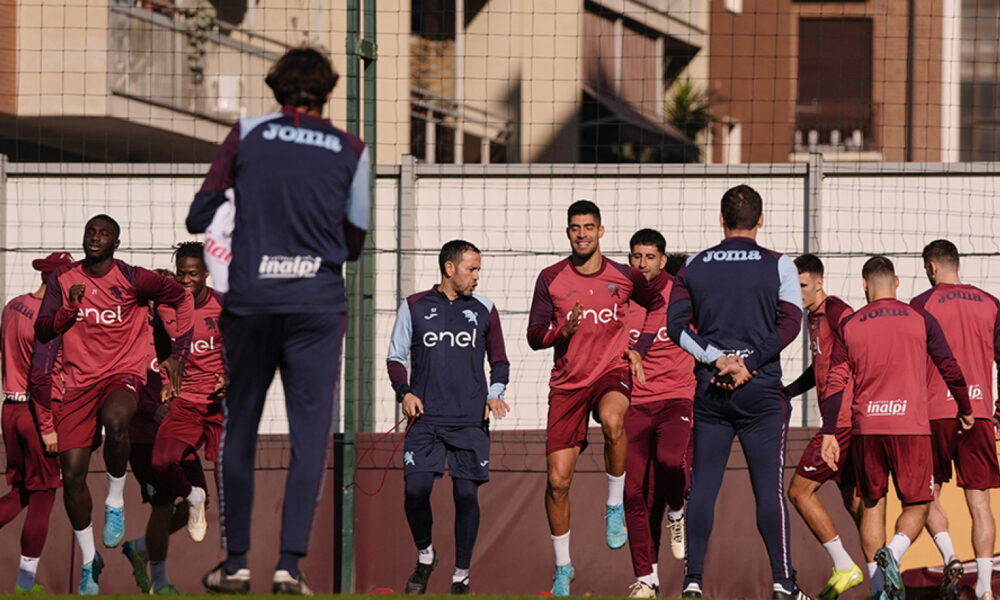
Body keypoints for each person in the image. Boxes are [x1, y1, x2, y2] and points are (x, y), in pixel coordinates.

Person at [186, 46, 369, 595]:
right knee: (309, 436)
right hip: (317, 305)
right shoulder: (352, 148)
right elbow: (354, 243)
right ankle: (289, 566)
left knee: (239, 426)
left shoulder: (247, 133)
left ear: (275, 89)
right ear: (330, 93)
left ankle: (236, 560)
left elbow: (199, 214)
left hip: (252, 302)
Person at [33, 214, 194, 595]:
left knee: (118, 420)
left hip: (123, 372)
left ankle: (116, 503)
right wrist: (70, 310)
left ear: (115, 243)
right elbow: (43, 329)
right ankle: (90, 563)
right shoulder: (64, 279)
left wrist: (179, 354)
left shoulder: (135, 278)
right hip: (78, 383)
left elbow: (182, 297)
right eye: (91, 231)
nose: (95, 237)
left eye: (103, 233)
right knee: (71, 476)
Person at [666, 184, 806, 600]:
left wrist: (717, 359)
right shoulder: (780, 265)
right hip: (760, 391)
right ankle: (783, 582)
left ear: (721, 220)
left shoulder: (693, 265)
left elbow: (675, 327)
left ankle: (692, 581)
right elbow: (791, 323)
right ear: (760, 220)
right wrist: (750, 361)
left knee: (703, 487)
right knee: (769, 490)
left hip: (712, 389)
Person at [527, 200, 666, 596]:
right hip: (568, 384)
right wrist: (560, 334)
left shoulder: (625, 276)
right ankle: (563, 567)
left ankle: (614, 505)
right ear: (568, 232)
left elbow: (657, 305)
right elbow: (535, 334)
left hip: (611, 372)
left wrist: (638, 345)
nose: (582, 234)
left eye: (589, 227)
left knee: (613, 420)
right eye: (575, 228)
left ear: (601, 231)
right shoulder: (550, 278)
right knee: (557, 482)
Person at [820, 256, 974, 600]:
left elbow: (835, 380)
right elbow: (949, 366)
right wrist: (965, 408)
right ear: (898, 283)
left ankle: (880, 590)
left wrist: (830, 431)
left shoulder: (851, 323)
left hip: (866, 429)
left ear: (864, 285)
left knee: (872, 505)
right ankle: (895, 553)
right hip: (910, 428)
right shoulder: (920, 318)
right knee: (919, 503)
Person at [387, 240, 510, 595]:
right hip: (424, 420)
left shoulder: (485, 308)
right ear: (449, 268)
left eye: (478, 270)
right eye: (472, 269)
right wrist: (405, 393)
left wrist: (494, 394)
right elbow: (395, 358)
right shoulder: (413, 306)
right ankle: (426, 555)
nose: (477, 277)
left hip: (470, 420)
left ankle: (461, 576)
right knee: (415, 491)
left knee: (466, 497)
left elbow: (499, 361)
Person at [910, 240, 1000, 600]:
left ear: (932, 267)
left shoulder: (921, 305)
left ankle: (950, 555)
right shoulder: (991, 303)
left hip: (935, 414)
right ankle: (982, 588)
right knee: (980, 503)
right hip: (977, 413)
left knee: (924, 495)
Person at [783, 254, 863, 600]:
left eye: (801, 284)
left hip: (842, 424)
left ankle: (845, 566)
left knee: (799, 492)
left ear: (818, 282)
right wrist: (788, 391)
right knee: (856, 503)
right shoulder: (812, 318)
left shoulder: (837, 312)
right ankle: (887, 576)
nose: (796, 291)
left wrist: (834, 424)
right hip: (842, 422)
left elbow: (854, 359)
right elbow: (819, 369)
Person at [622, 230, 695, 598]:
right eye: (636, 256)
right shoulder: (623, 296)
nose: (642, 264)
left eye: (649, 257)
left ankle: (677, 512)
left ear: (663, 260)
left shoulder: (683, 294)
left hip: (677, 398)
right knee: (634, 493)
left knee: (670, 462)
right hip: (635, 403)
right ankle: (646, 579)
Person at [121, 284, 203, 595]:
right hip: (144, 438)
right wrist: (152, 409)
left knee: (199, 500)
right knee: (163, 505)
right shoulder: (133, 341)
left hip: (179, 434)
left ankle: (140, 548)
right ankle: (160, 582)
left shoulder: (183, 342)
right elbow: (121, 388)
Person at [0, 252, 72, 593]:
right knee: (43, 496)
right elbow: (43, 377)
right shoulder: (50, 322)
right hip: (36, 412)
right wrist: (48, 427)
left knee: (22, 491)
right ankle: (26, 583)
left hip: (9, 410)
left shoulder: (13, 306)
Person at [151, 242, 224, 543]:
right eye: (181, 274)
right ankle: (194, 497)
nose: (185, 281)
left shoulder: (226, 306)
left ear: (207, 273)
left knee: (229, 474)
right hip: (186, 401)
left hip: (221, 404)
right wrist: (167, 380)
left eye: (192, 274)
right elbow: (162, 347)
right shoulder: (167, 310)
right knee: (162, 461)